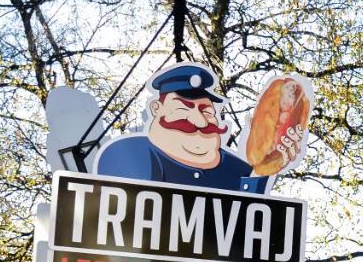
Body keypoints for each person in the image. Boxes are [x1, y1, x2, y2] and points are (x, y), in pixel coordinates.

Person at [95, 64, 298, 194]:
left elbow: (246, 228)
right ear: (157, 108)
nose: (199, 121)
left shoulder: (238, 169)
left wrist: (264, 165)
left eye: (206, 111)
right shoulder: (127, 153)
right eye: (184, 108)